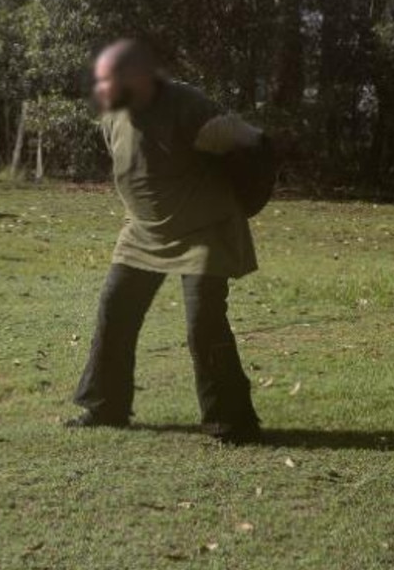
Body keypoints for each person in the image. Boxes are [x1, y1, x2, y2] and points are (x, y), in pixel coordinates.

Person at [66, 40, 266, 444]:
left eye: (109, 79)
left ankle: (232, 423)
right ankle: (106, 407)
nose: (100, 88)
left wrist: (252, 183)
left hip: (203, 231)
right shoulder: (111, 115)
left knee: (203, 323)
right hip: (143, 231)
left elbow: (249, 139)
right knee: (115, 308)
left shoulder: (185, 104)